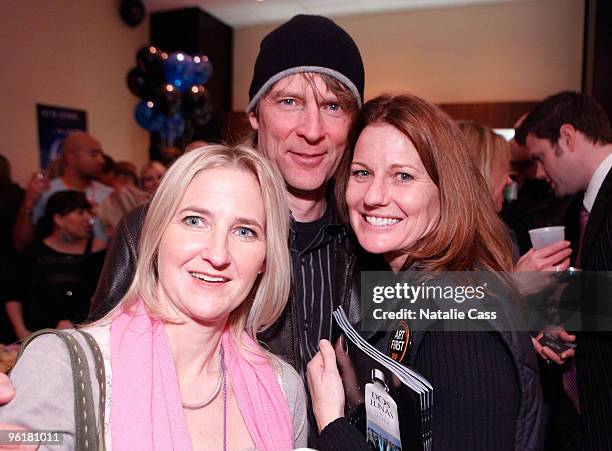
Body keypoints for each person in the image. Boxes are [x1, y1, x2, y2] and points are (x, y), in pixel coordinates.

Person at [87, 14, 364, 376]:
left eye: (333, 107)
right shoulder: (154, 232)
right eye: (289, 102)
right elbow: (99, 370)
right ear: (254, 114)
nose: (312, 130)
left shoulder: (372, 243)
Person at [0, 145, 308, 450]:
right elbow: (19, 439)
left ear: (266, 259)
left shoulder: (283, 388)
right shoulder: (63, 366)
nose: (217, 254)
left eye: (244, 231)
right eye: (195, 221)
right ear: (157, 233)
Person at [308, 94, 544, 450]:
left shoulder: (461, 326)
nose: (374, 195)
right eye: (362, 173)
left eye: (402, 176)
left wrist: (332, 423)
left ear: (446, 191)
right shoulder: (402, 282)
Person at [516, 91, 612, 450]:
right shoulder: (578, 206)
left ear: (568, 137)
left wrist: (531, 291)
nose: (539, 173)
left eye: (540, 157)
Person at [459, 121, 573, 274]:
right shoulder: (452, 244)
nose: (509, 180)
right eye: (502, 169)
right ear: (481, 173)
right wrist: (519, 285)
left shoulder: (501, 233)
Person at [5, 190, 107, 339]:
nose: (88, 219)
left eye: (88, 212)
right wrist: (21, 332)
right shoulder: (34, 253)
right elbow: (14, 294)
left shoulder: (99, 251)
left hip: (84, 337)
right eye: (80, 213)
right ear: (58, 219)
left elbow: (103, 297)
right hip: (36, 337)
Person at [12, 132, 113, 250]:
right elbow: (22, 244)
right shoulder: (46, 192)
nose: (101, 160)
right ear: (71, 158)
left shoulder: (110, 195)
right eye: (94, 154)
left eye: (101, 154)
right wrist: (28, 203)